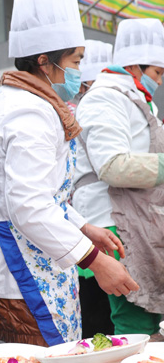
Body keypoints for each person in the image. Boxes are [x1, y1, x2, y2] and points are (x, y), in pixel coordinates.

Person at [0, 0, 137, 346]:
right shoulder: (27, 114)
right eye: (76, 61)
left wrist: (83, 227)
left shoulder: (28, 102)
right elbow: (28, 205)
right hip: (22, 267)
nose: (79, 72)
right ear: (44, 62)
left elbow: (44, 192)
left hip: (39, 256)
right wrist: (95, 260)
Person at [73, 18, 164, 335]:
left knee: (148, 315)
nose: (160, 81)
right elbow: (112, 164)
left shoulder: (136, 98)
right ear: (135, 67)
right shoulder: (105, 97)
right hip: (113, 221)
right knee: (131, 319)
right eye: (157, 72)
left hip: (138, 219)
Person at [75, 39, 115, 336]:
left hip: (95, 214)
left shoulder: (91, 103)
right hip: (95, 216)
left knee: (100, 307)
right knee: (98, 307)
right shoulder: (93, 104)